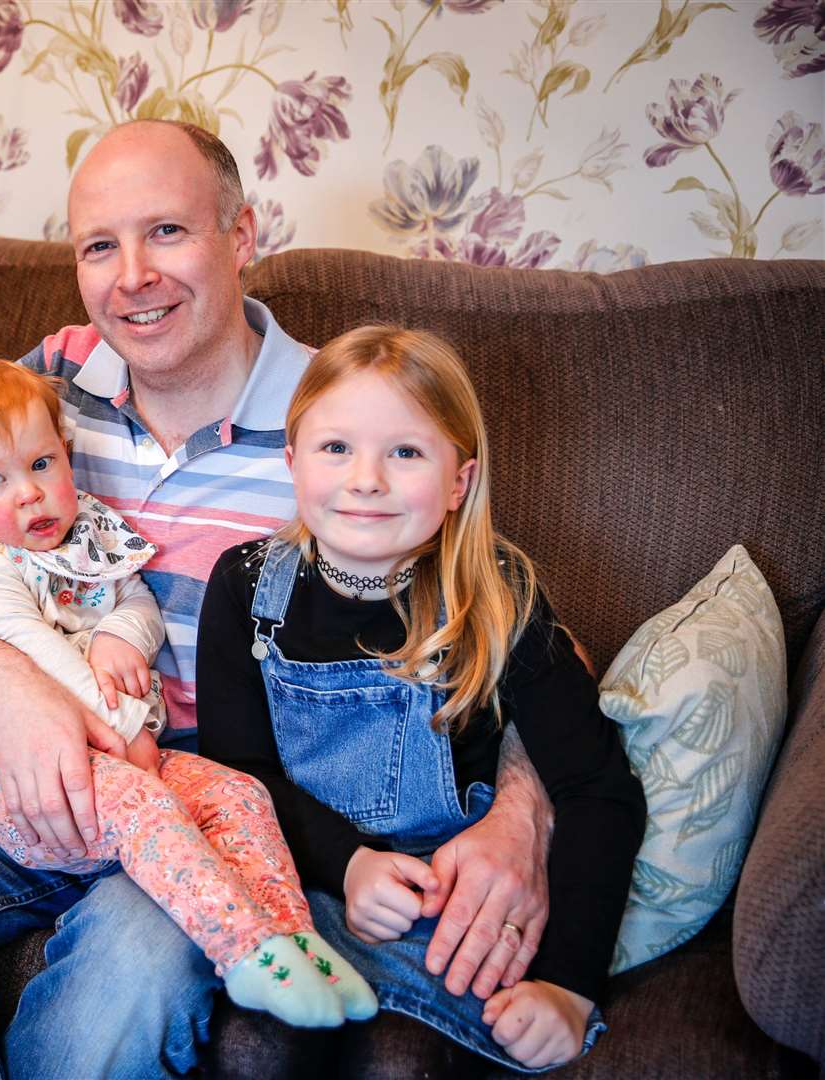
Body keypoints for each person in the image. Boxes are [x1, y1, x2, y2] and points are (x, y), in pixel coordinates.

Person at [0, 119, 554, 1077]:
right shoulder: (50, 379)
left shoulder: (340, 424)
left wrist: (519, 819)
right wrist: (9, 688)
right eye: (99, 246)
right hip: (15, 752)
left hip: (205, 787)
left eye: (166, 233)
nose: (132, 278)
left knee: (134, 975)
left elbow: (516, 628)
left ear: (240, 238)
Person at [197, 325, 647, 1071]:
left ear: (458, 482)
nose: (366, 478)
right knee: (252, 1045)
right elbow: (237, 776)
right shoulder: (244, 586)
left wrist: (570, 986)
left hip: (444, 910)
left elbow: (599, 788)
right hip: (303, 888)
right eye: (335, 448)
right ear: (291, 460)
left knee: (401, 1066)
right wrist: (348, 864)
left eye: (405, 452)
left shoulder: (499, 597)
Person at [0, 358, 377, 1029]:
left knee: (240, 794)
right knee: (143, 803)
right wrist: (127, 729)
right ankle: (246, 954)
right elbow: (29, 649)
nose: (29, 495)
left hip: (127, 755)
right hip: (20, 778)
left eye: (42, 464)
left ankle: (294, 937)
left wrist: (120, 638)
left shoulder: (85, 528)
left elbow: (136, 599)